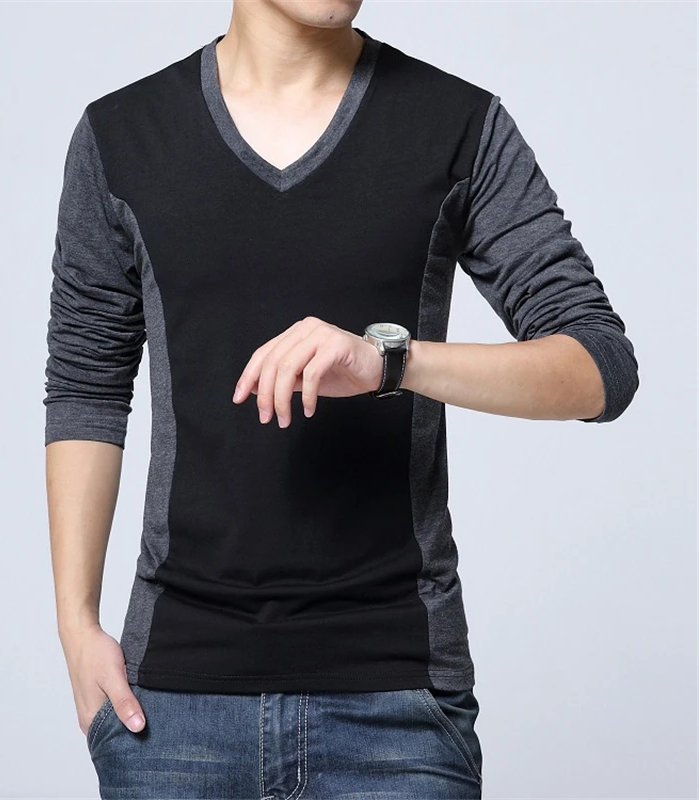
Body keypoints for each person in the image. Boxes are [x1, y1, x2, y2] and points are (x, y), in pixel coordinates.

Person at [43, 2, 640, 797]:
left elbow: (601, 367)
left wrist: (391, 361)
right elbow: (86, 385)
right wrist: (76, 625)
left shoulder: (457, 125)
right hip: (174, 708)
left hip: (397, 706)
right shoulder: (122, 135)